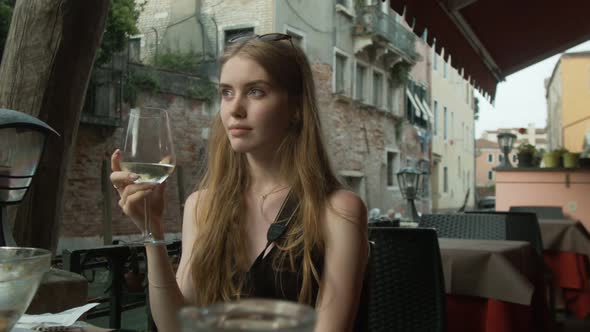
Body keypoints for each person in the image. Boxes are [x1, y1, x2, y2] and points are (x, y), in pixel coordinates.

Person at [110, 33, 368, 332]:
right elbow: (175, 326)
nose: (234, 109)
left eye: (256, 92)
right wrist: (151, 229)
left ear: (296, 108)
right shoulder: (202, 205)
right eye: (226, 92)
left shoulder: (338, 210)